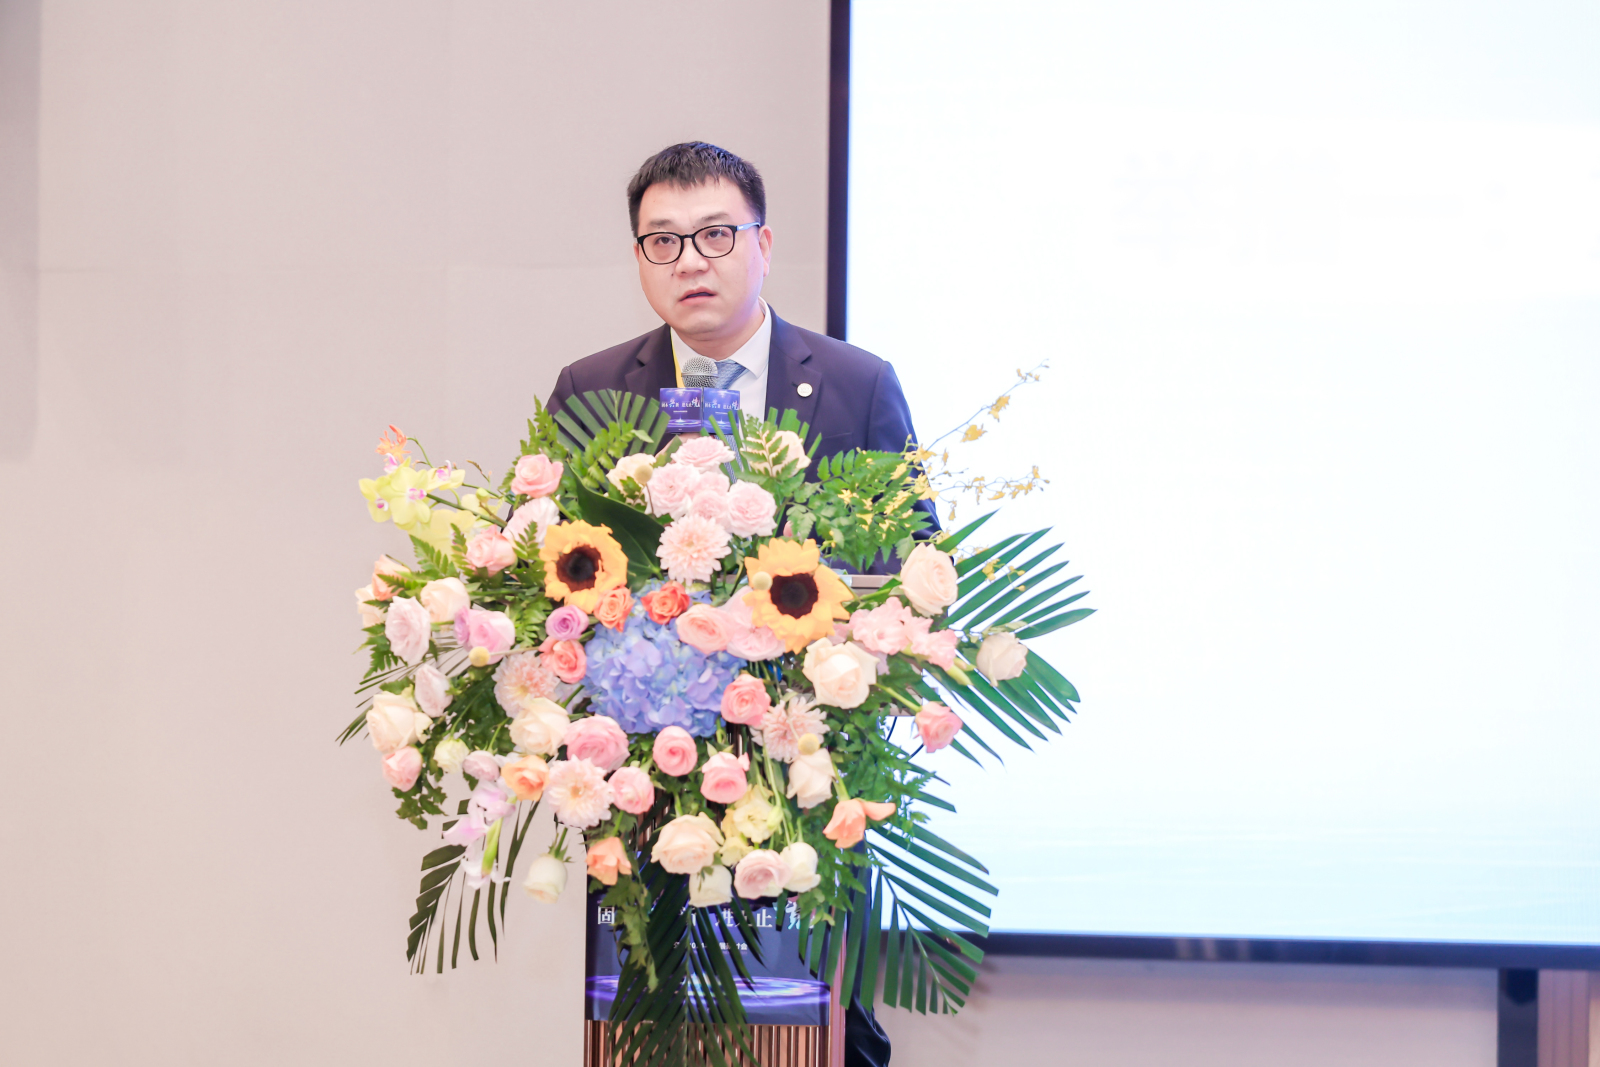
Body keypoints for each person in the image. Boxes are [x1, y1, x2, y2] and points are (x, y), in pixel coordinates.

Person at [545, 142, 899, 1066]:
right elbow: (551, 576)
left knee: (827, 1032)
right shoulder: (592, 389)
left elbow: (907, 572)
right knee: (650, 1024)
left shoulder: (856, 386)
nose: (689, 261)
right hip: (645, 791)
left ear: (764, 244)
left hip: (807, 783)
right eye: (662, 240)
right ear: (639, 258)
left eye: (714, 234)